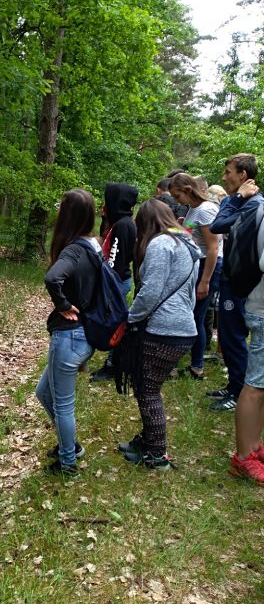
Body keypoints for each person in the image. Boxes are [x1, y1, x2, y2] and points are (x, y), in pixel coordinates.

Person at [117, 199, 200, 470]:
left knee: (148, 389)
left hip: (165, 329)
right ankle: (148, 441)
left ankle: (156, 453)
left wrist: (130, 318)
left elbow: (150, 291)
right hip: (183, 327)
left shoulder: (160, 245)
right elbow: (188, 293)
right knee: (149, 386)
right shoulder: (186, 244)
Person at [36, 189, 101, 477]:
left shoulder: (73, 249)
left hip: (70, 336)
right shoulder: (94, 246)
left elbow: (52, 278)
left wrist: (62, 304)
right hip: (84, 334)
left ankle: (68, 462)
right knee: (43, 392)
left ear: (68, 214)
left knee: (63, 405)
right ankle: (69, 445)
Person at [208, 154, 264, 410]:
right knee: (229, 337)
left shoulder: (253, 205)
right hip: (233, 280)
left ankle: (238, 392)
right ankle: (233, 386)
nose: (224, 177)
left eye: (228, 172)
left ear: (243, 175)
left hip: (243, 284)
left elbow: (217, 225)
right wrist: (236, 198)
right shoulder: (240, 202)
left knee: (234, 338)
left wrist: (238, 198)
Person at [169, 172, 222, 379]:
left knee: (195, 317)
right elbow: (191, 235)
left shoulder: (206, 210)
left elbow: (213, 248)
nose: (176, 200)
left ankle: (197, 366)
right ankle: (194, 364)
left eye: (177, 196)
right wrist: (179, 227)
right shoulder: (193, 209)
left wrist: (205, 281)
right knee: (193, 316)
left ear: (188, 190)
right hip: (196, 266)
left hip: (207, 267)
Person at [229, 211, 264, 484]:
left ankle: (252, 447)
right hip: (262, 310)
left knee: (261, 386)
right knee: (255, 386)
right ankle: (243, 457)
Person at [90, 183, 138, 381]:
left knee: (114, 325)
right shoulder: (120, 222)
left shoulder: (123, 225)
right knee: (114, 323)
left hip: (116, 282)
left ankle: (113, 365)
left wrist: (107, 285)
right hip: (116, 280)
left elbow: (115, 260)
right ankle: (114, 363)